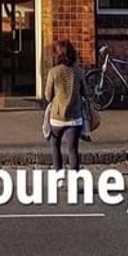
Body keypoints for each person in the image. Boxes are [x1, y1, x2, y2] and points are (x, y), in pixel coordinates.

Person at [43, 39, 89, 172]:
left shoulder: (53, 72)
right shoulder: (78, 72)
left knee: (55, 146)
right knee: (73, 149)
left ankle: (59, 178)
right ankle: (74, 180)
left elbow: (47, 96)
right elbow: (85, 93)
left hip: (57, 118)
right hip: (75, 117)